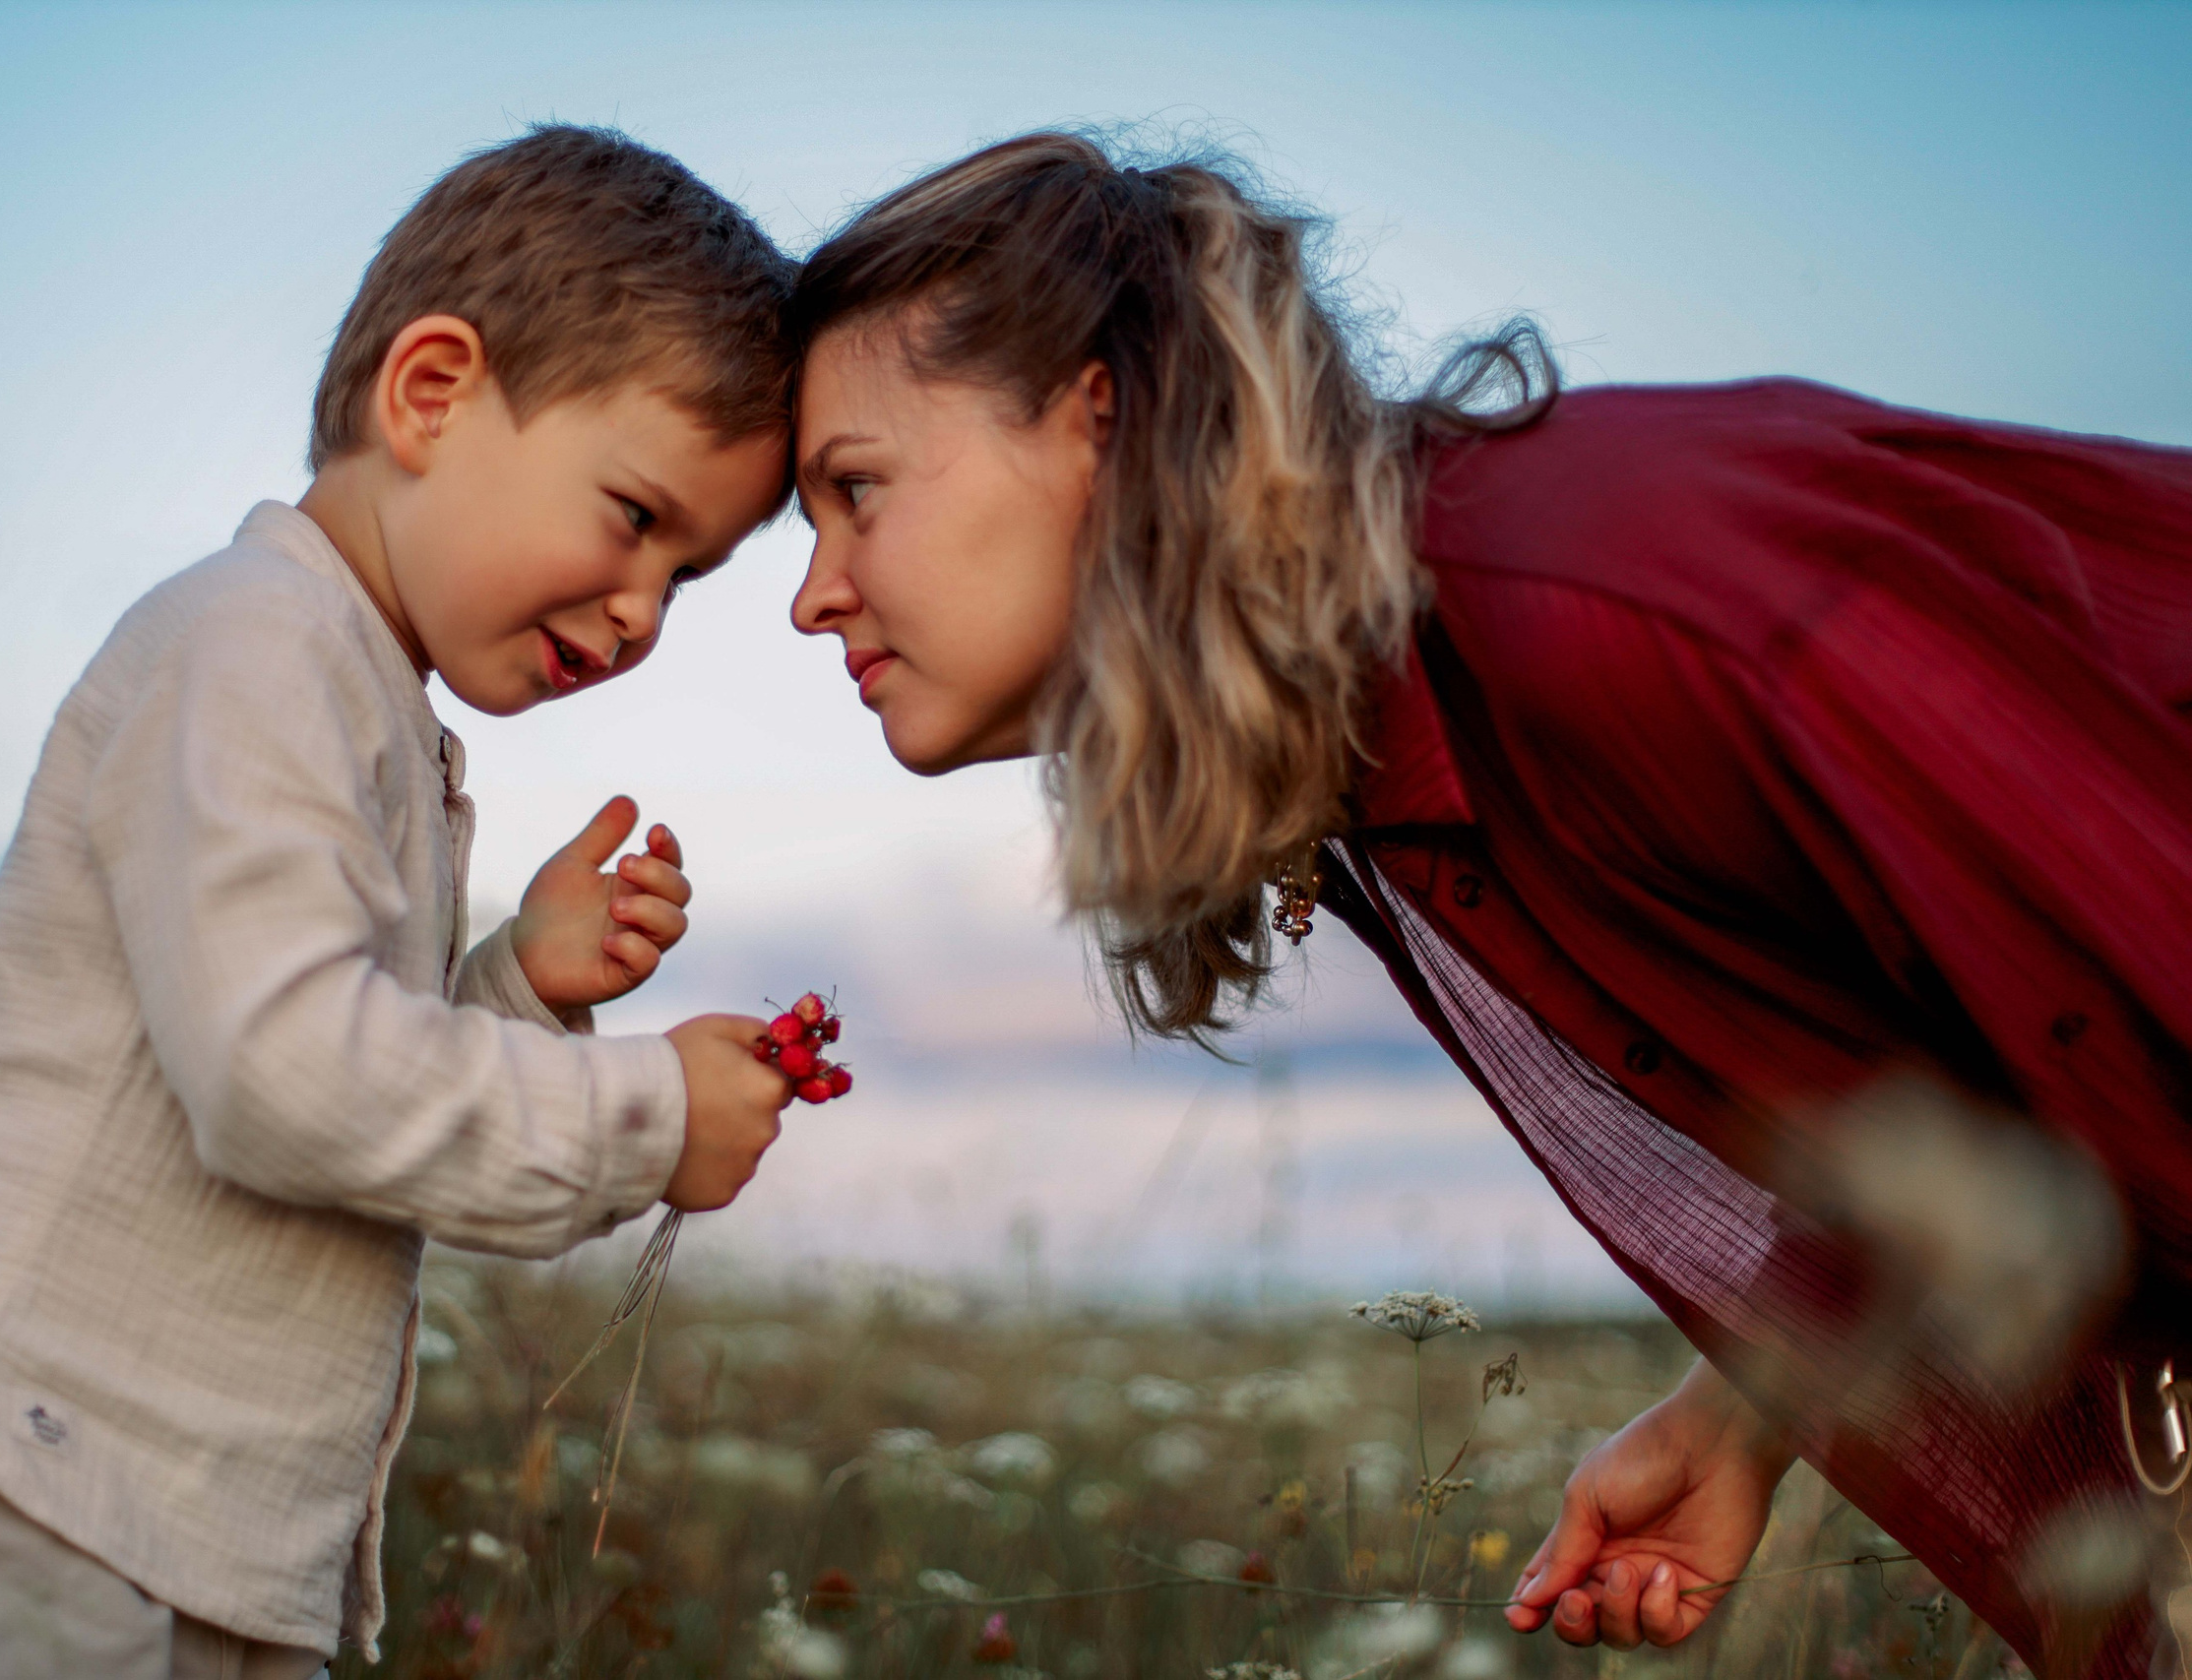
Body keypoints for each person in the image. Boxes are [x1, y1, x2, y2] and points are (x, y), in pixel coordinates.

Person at [785, 131, 2192, 1679]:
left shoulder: (1611, 604)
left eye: (855, 492)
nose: (813, 592)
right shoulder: (1389, 717)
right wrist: (1750, 1414)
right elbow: (1987, 1095)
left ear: (1096, 422)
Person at [0, 126, 797, 1679]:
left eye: (690, 576)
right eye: (634, 518)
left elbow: (318, 1083)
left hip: (165, 1537)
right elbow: (286, 1083)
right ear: (431, 394)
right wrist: (643, 1117)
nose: (642, 612)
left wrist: (516, 992)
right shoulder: (254, 647)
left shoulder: (355, 692)